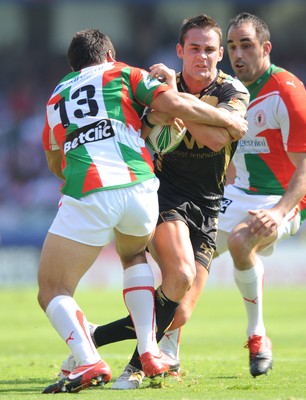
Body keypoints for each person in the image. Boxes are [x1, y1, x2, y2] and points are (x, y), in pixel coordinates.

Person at [38, 28, 248, 394]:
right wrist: (230, 120)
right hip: (143, 190)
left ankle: (88, 357)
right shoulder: (124, 71)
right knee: (134, 253)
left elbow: (56, 160)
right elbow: (177, 106)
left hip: (93, 187)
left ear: (73, 65)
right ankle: (150, 350)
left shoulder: (57, 96)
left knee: (51, 288)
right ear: (109, 54)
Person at [157, 11, 306, 378]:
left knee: (244, 241)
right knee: (183, 261)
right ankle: (168, 351)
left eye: (246, 44)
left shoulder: (288, 93)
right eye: (231, 45)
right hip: (238, 194)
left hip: (284, 197)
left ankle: (257, 334)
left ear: (266, 47)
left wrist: (278, 212)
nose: (237, 53)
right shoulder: (226, 91)